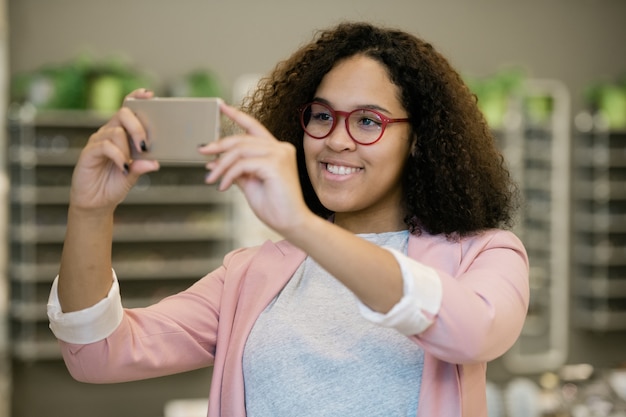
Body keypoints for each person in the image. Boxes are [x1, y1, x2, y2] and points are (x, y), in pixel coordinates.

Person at [47, 21, 529, 417]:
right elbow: (98, 356)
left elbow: (473, 332)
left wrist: (301, 224)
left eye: (368, 122)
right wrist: (91, 211)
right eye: (321, 116)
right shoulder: (249, 276)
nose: (336, 140)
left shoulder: (484, 253)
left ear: (419, 139)